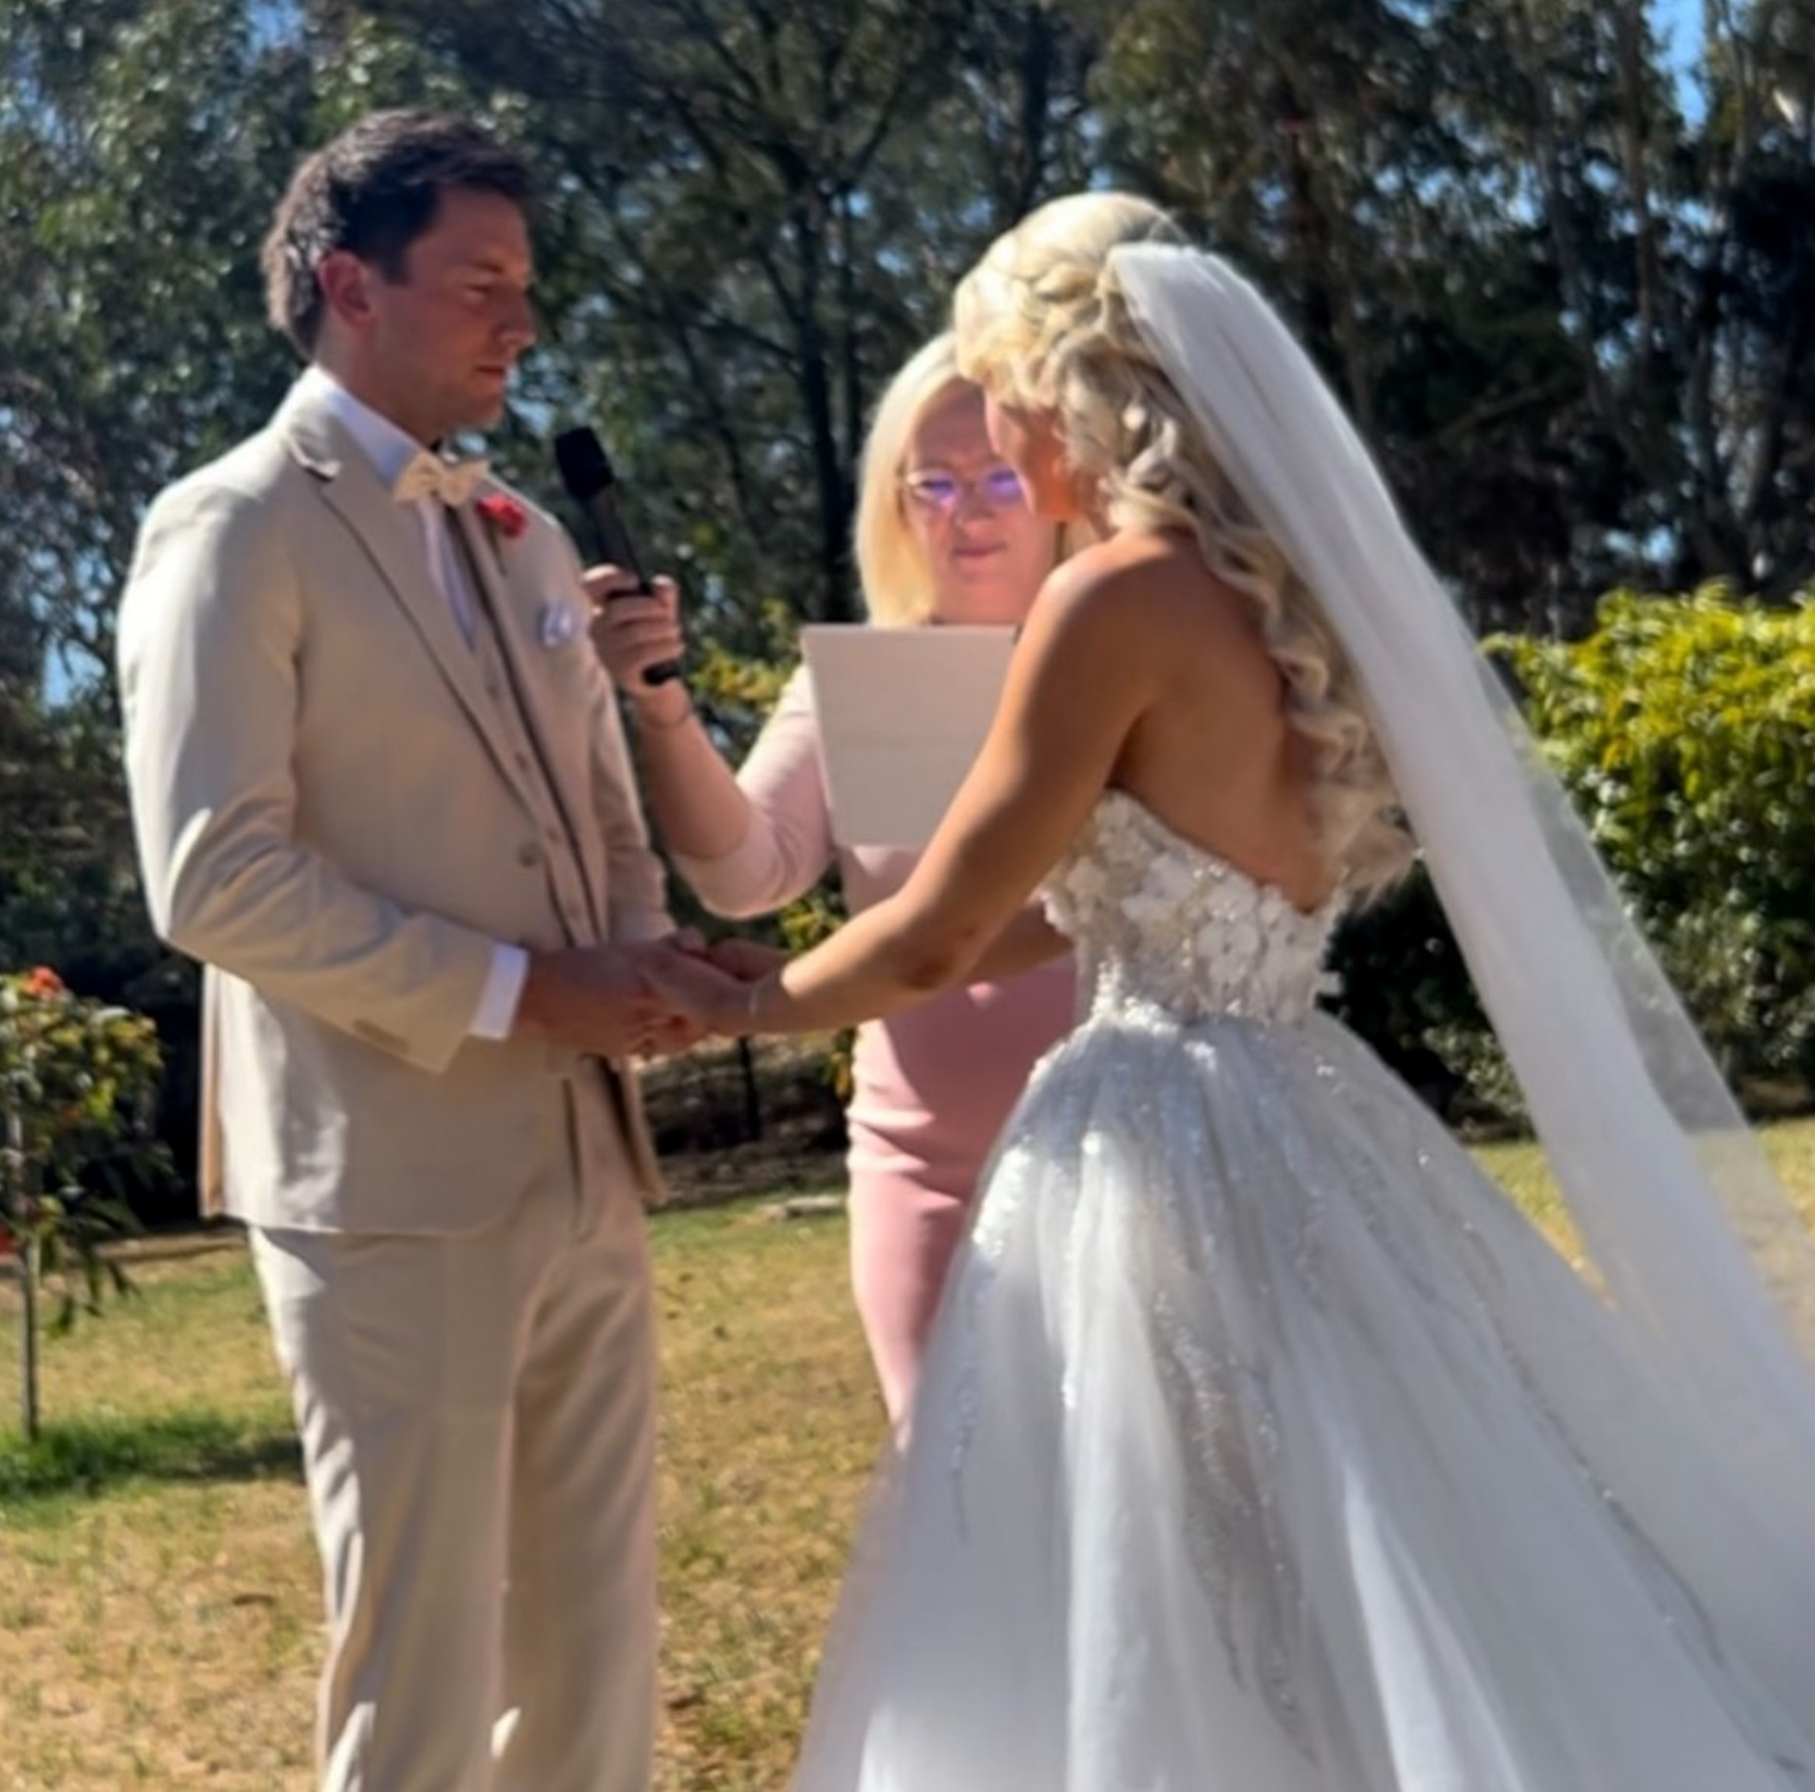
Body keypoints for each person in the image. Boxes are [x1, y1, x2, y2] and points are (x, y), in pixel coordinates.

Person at [714, 191, 1815, 1788]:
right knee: (1375, 1516)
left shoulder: (1114, 599)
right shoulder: (1301, 600)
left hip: (1155, 1128)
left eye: (1009, 409)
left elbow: (948, 926)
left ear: (1074, 389)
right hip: (1311, 1099)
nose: (1010, 457)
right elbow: (1112, 896)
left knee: (1182, 1542)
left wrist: (740, 1001)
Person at [117, 109, 734, 1792]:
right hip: (380, 1178)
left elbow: (599, 812)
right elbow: (209, 871)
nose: (519, 319)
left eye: (525, 283)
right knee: (425, 1674)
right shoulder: (234, 522)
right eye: (479, 281)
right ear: (346, 285)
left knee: (600, 1658)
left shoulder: (524, 535)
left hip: (587, 1160)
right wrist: (535, 992)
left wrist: (648, 964)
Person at [585, 334, 1077, 1420]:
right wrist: (660, 703)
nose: (968, 509)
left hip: (1121, 1155)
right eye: (932, 483)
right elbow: (742, 872)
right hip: (924, 1169)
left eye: (998, 474)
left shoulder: (1122, 657)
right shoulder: (855, 680)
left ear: (1054, 483)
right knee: (956, 1506)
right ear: (893, 504)